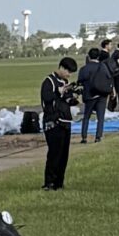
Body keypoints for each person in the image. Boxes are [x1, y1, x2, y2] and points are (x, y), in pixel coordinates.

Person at [41, 58, 76, 189]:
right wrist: (58, 91)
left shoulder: (66, 82)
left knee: (63, 155)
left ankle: (59, 182)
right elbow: (46, 98)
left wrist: (74, 98)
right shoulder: (49, 81)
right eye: (68, 71)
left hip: (66, 121)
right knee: (54, 153)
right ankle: (49, 182)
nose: (69, 75)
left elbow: (67, 100)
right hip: (53, 122)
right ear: (61, 68)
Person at [75, 51, 114, 143]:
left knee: (86, 116)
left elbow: (79, 82)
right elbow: (109, 78)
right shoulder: (103, 66)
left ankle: (84, 137)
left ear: (88, 57)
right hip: (102, 94)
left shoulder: (84, 69)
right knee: (100, 117)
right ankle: (98, 137)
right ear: (98, 57)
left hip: (89, 95)